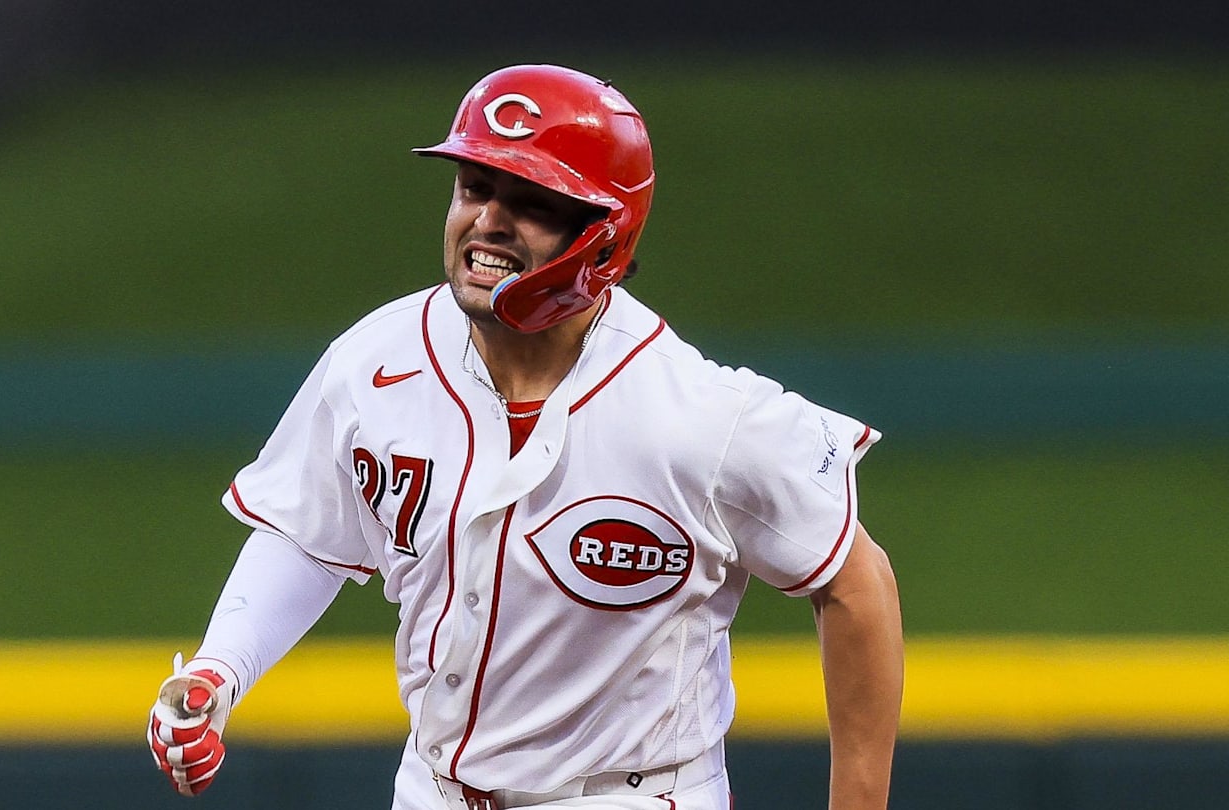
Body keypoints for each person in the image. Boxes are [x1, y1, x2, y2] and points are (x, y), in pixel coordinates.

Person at [147, 63, 903, 810]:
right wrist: (220, 669)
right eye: (474, 187)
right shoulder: (375, 360)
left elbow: (856, 582)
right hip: (431, 789)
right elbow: (307, 530)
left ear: (602, 237)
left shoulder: (701, 415)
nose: (487, 221)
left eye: (532, 201)